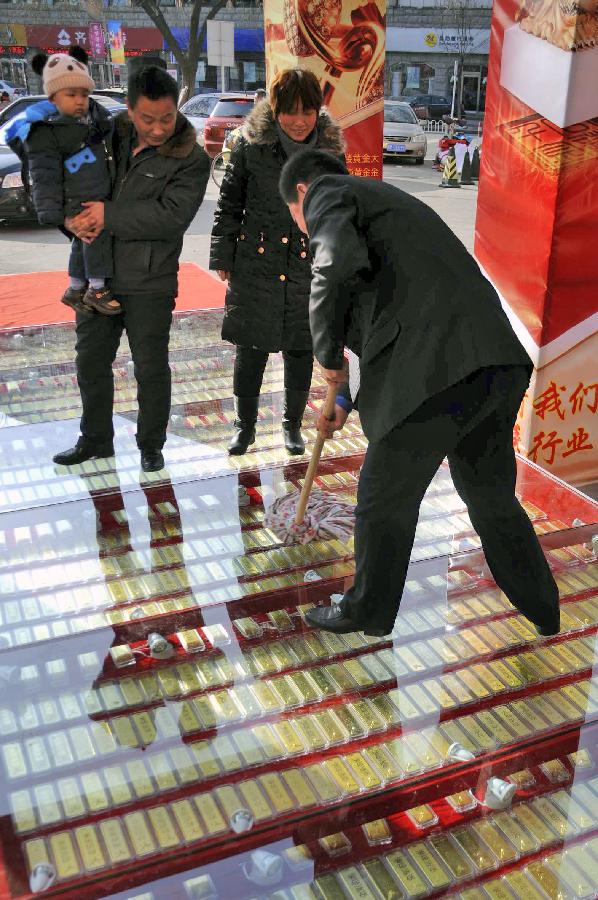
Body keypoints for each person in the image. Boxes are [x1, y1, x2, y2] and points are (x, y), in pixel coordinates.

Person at [279, 149, 561, 639]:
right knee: (489, 496)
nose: (306, 232)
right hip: (492, 363)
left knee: (383, 496)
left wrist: (326, 358)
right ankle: (543, 606)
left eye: (298, 222)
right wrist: (343, 400)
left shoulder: (327, 191)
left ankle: (366, 609)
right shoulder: (388, 210)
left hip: (439, 373)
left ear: (301, 194)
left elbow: (335, 266)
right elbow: (387, 324)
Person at [52, 66, 210, 473]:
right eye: (147, 119)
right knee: (89, 361)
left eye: (167, 118)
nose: (158, 129)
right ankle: (95, 439)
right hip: (94, 275)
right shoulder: (104, 136)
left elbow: (170, 217)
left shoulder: (191, 157)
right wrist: (70, 217)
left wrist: (107, 215)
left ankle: (150, 444)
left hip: (149, 281)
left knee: (151, 367)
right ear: (129, 109)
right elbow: (72, 180)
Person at [210, 68, 344, 456]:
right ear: (275, 108)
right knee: (250, 349)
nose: (300, 121)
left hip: (307, 265)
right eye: (290, 111)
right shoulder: (250, 146)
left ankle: (291, 426)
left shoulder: (330, 151)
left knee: (301, 348)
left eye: (308, 111)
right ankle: (244, 426)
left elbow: (340, 210)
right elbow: (228, 204)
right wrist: (223, 253)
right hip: (256, 261)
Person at [6, 46, 119, 315]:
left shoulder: (90, 120)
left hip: (90, 192)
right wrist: (55, 214)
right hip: (76, 198)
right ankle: (97, 288)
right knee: (94, 237)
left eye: (84, 94)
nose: (80, 100)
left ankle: (75, 286)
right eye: (71, 95)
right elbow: (44, 175)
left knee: (82, 243)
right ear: (53, 98)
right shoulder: (45, 131)